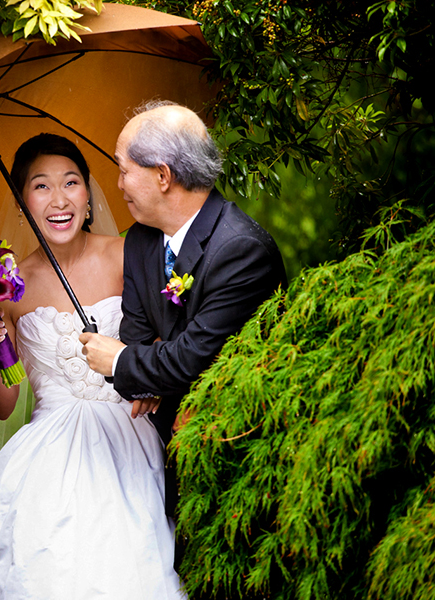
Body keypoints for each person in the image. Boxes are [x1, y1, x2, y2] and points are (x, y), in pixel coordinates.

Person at [0, 133, 186, 599]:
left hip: (130, 437)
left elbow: (170, 336)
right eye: (40, 186)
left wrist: (148, 371)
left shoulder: (129, 255)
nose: (59, 199)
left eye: (70, 183)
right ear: (22, 204)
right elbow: (4, 401)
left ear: (89, 194)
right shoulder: (5, 286)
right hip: (47, 456)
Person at [79, 101, 287, 514]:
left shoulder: (240, 249)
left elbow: (191, 359)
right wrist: (147, 365)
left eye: (123, 170)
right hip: (162, 449)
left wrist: (121, 360)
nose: (117, 185)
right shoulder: (141, 240)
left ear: (162, 176)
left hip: (234, 457)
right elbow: (139, 340)